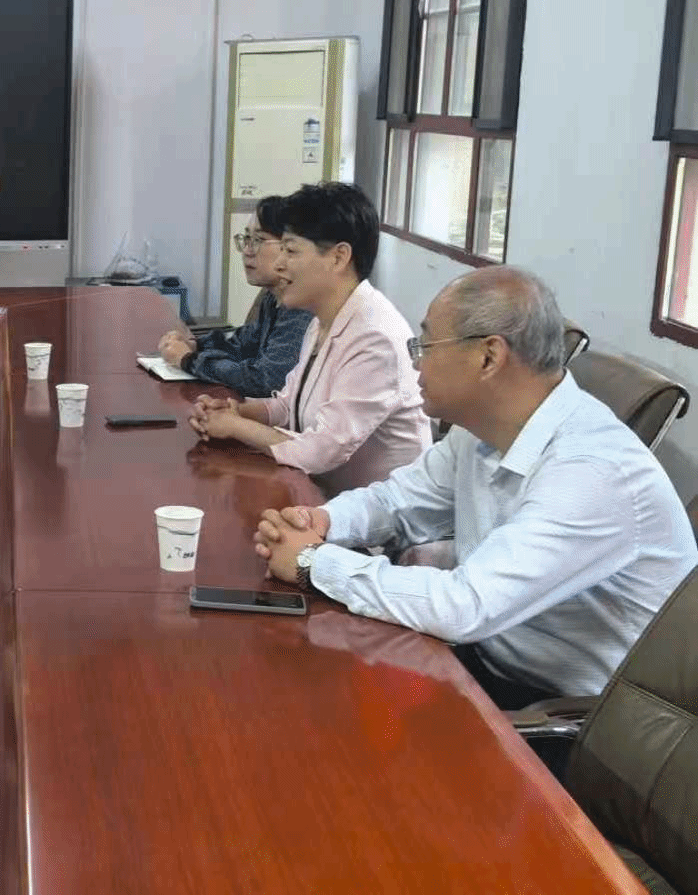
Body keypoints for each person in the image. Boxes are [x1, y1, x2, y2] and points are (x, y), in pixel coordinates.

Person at [253, 267, 698, 705]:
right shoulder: (481, 428)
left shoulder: (591, 472)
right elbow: (397, 501)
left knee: (340, 716)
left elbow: (464, 606)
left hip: (563, 715)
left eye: (425, 345)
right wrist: (322, 521)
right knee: (308, 684)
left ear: (489, 357)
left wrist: (312, 562)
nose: (416, 362)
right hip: (478, 661)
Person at [189, 182, 429, 494]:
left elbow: (319, 452)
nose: (279, 264)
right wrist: (236, 410)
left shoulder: (375, 339)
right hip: (322, 493)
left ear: (338, 257)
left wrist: (235, 426)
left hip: (376, 515)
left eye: (290, 251)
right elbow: (289, 405)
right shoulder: (322, 320)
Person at [156, 194, 311, 396]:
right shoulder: (272, 297)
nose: (247, 251)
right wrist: (195, 346)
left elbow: (265, 380)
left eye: (258, 240)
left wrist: (189, 360)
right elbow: (242, 346)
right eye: (246, 239)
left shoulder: (301, 307)